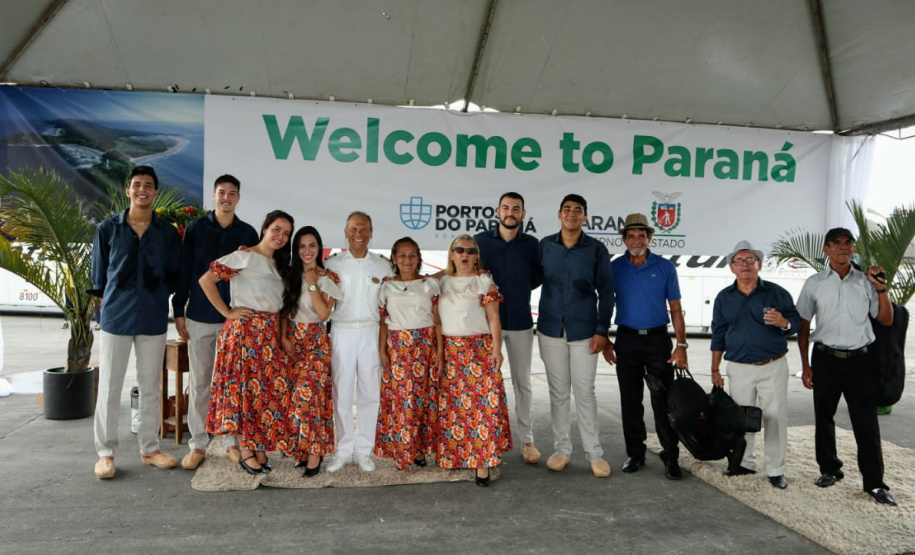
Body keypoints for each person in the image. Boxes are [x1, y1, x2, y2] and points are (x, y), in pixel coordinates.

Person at [90, 165, 181, 480]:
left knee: (150, 387)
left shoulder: (167, 233)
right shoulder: (108, 229)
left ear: (155, 192)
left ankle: (150, 448)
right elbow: (99, 277)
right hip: (116, 316)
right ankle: (105, 454)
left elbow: (173, 274)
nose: (142, 190)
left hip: (153, 316)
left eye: (148, 185)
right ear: (128, 190)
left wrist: (155, 295)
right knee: (110, 388)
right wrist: (114, 301)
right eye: (137, 184)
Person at [796, 227, 897, 506]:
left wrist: (881, 288)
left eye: (848, 242)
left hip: (861, 362)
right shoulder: (815, 283)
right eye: (836, 243)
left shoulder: (867, 282)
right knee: (824, 418)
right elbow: (803, 326)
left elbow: (886, 320)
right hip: (825, 360)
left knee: (866, 423)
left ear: (853, 249)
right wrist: (806, 365)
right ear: (827, 250)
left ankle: (875, 484)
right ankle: (829, 470)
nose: (844, 246)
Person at [172, 174, 259, 470]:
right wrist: (178, 309)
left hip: (236, 321)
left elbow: (256, 277)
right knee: (200, 383)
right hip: (199, 315)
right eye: (221, 192)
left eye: (232, 193)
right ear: (213, 196)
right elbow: (185, 270)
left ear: (238, 198)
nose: (226, 197)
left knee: (234, 386)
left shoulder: (248, 233)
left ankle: (231, 442)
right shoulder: (196, 228)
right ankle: (197, 444)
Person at [201, 210, 294, 475]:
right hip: (245, 332)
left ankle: (258, 445)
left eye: (286, 233)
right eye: (277, 229)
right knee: (243, 393)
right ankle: (245, 450)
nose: (280, 236)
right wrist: (227, 312)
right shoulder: (244, 256)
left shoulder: (279, 265)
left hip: (269, 334)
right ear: (265, 228)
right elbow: (207, 280)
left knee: (261, 394)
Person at [710, 240, 801, 489]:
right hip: (738, 367)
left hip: (772, 364)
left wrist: (783, 322)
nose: (745, 265)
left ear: (759, 264)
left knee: (774, 417)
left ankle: (775, 469)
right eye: (739, 261)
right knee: (741, 417)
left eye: (750, 260)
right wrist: (714, 369)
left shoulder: (777, 292)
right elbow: (718, 334)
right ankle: (744, 463)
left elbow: (796, 322)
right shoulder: (723, 298)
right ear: (731, 268)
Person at [602, 213, 685, 480]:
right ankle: (635, 454)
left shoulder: (664, 267)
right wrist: (603, 337)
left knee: (663, 400)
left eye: (641, 235)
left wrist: (681, 344)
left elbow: (675, 308)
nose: (636, 240)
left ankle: (671, 455)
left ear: (649, 238)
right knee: (630, 401)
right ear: (624, 239)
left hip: (657, 340)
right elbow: (605, 304)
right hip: (626, 340)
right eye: (631, 235)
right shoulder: (614, 268)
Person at [537, 194, 614, 477]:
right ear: (559, 214)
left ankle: (594, 453)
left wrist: (602, 331)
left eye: (577, 210)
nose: (572, 213)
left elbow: (607, 292)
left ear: (584, 216)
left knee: (585, 392)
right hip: (550, 328)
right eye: (567, 209)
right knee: (558, 393)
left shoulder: (596, 249)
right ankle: (561, 450)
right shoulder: (545, 246)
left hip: (585, 331)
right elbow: (529, 278)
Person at [436, 234, 512, 486]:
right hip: (451, 351)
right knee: (455, 408)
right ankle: (456, 456)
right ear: (451, 254)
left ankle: (482, 462)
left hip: (479, 349)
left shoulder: (484, 282)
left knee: (483, 408)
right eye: (459, 250)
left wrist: (496, 349)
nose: (464, 255)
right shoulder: (440, 281)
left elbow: (493, 319)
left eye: (470, 250)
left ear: (476, 255)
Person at [474, 192, 543, 465]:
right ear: (497, 212)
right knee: (485, 383)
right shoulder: (479, 242)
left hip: (520, 322)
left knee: (522, 383)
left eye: (516, 208)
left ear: (523, 214)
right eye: (506, 208)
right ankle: (485, 439)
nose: (510, 212)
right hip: (486, 325)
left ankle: (527, 441)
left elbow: (536, 277)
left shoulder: (533, 245)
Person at [324, 211, 395, 473]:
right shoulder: (332, 265)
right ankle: (343, 450)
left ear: (371, 233)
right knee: (341, 392)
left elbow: (388, 304)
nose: (359, 234)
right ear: (345, 232)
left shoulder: (382, 265)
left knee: (370, 392)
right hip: (341, 330)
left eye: (364, 229)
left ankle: (365, 450)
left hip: (370, 330)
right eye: (353, 229)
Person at [375, 237, 442, 471]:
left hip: (424, 346)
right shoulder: (386, 286)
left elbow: (437, 320)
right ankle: (402, 452)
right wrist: (382, 350)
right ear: (393, 258)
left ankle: (420, 450)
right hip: (397, 347)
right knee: (402, 401)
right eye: (402, 255)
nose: (407, 259)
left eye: (412, 255)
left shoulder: (429, 285)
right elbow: (383, 321)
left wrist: (440, 352)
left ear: (419, 258)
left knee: (422, 400)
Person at [280, 226, 342, 478]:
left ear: (320, 248)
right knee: (294, 400)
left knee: (310, 399)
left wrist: (314, 283)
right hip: (293, 340)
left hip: (316, 341)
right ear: (296, 249)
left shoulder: (329, 277)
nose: (307, 251)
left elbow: (324, 314)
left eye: (312, 245)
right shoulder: (288, 275)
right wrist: (283, 337)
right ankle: (302, 451)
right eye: (302, 246)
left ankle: (315, 454)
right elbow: (283, 310)